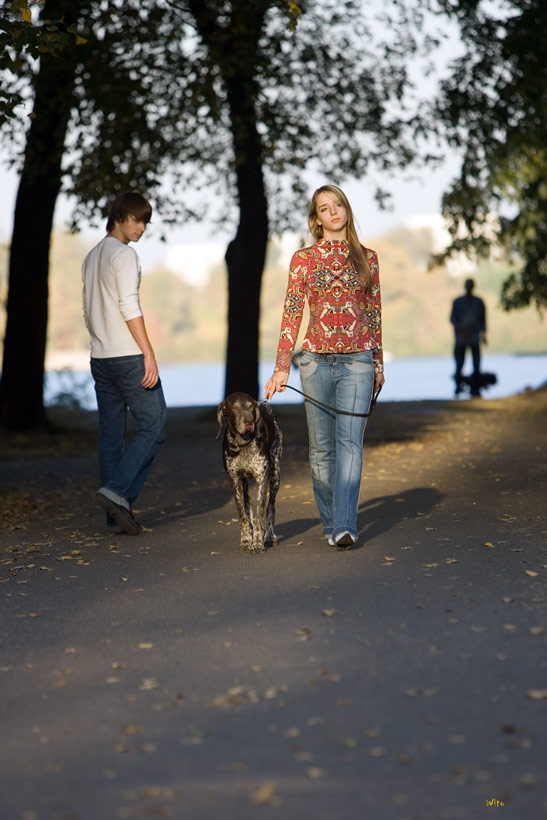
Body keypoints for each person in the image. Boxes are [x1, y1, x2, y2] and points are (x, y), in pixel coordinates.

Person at [265, 184, 384, 550]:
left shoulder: (368, 257)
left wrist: (378, 363)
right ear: (316, 219)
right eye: (324, 208)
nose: (332, 212)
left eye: (337, 205)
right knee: (321, 450)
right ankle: (331, 522)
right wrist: (281, 366)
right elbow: (291, 314)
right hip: (314, 363)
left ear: (346, 210)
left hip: (358, 362)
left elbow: (375, 314)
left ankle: (346, 525)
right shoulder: (303, 259)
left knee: (350, 443)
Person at [82, 192, 166, 535]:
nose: (142, 227)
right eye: (136, 219)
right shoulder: (124, 255)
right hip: (127, 356)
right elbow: (129, 306)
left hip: (100, 358)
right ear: (119, 216)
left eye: (146, 221)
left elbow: (88, 312)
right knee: (155, 423)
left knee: (111, 435)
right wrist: (148, 352)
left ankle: (114, 512)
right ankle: (117, 493)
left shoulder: (91, 256)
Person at [450, 278, 487, 396]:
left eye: (471, 285)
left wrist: (483, 334)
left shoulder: (479, 302)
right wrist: (461, 331)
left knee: (476, 364)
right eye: (467, 285)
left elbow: (483, 320)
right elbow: (453, 319)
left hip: (475, 338)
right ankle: (458, 386)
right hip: (461, 339)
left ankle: (475, 388)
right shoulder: (457, 302)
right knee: (459, 363)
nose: (469, 288)